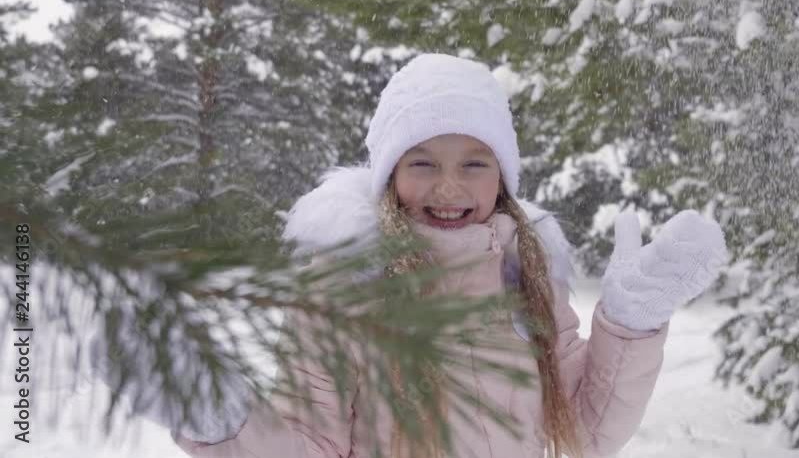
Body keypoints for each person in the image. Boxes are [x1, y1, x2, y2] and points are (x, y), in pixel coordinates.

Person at [95, 53, 728, 458]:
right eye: (422, 163)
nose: (449, 188)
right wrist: (219, 421)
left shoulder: (526, 280)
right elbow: (308, 443)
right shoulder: (344, 289)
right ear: (389, 175)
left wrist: (629, 327)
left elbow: (582, 433)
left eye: (474, 164)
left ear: (503, 179)